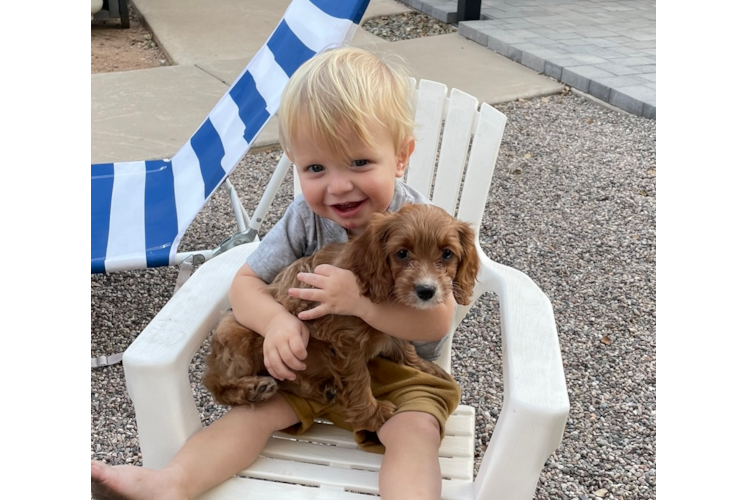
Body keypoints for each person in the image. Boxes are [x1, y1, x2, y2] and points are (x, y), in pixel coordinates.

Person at [91, 46, 461, 500]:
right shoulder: (303, 219)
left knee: (416, 431)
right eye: (316, 168)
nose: (338, 185)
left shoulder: (419, 221)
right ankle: (169, 482)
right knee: (252, 416)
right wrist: (276, 321)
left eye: (360, 162)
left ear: (401, 157)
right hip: (316, 367)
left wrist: (360, 303)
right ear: (294, 163)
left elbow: (437, 321)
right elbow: (244, 283)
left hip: (395, 367)